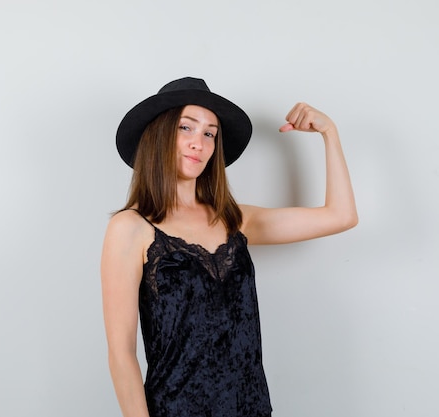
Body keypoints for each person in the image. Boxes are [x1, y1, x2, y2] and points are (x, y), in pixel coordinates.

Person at [100, 77, 357, 417]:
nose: (199, 143)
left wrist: (330, 133)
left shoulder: (234, 220)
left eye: (209, 133)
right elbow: (121, 354)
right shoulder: (130, 229)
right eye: (186, 128)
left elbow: (341, 216)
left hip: (250, 408)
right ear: (160, 135)